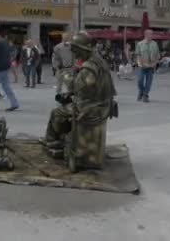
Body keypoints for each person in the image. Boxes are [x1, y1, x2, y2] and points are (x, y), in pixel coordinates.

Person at [43, 32, 116, 169]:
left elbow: (77, 86)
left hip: (92, 107)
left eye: (76, 50)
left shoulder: (90, 65)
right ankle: (60, 140)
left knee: (57, 113)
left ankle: (53, 141)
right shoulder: (98, 60)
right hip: (99, 103)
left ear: (82, 49)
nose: (75, 54)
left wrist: (65, 76)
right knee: (64, 107)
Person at [135, 29, 160, 102]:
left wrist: (155, 63)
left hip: (151, 66)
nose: (152, 36)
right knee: (140, 80)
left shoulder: (155, 44)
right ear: (146, 35)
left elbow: (157, 55)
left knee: (149, 82)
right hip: (142, 66)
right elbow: (138, 55)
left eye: (152, 34)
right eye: (151, 34)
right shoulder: (140, 44)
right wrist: (141, 63)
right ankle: (141, 91)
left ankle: (145, 95)